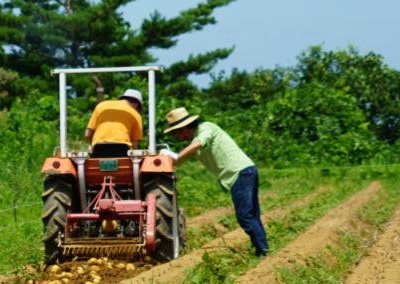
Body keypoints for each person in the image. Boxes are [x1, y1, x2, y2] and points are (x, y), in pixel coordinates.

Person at [163, 107, 268, 257]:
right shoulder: (194, 141)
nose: (175, 136)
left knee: (245, 215)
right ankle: (262, 248)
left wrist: (176, 157)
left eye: (175, 132)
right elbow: (180, 160)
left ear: (183, 129)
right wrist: (166, 158)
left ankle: (262, 250)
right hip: (243, 172)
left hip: (241, 173)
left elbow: (198, 145)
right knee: (251, 214)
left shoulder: (206, 128)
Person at [84, 88, 144, 157]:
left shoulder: (101, 106)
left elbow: (87, 134)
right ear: (136, 104)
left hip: (98, 150)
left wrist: (92, 147)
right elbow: (134, 144)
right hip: (122, 151)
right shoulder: (136, 115)